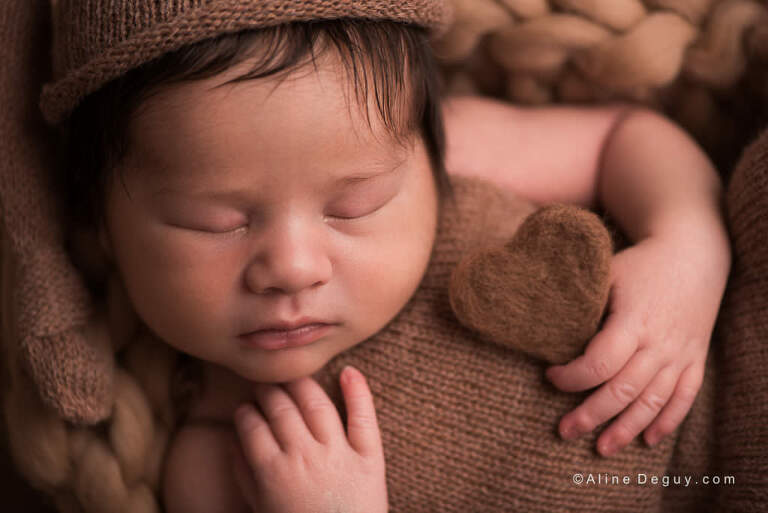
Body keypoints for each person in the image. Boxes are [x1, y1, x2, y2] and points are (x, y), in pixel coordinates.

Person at [47, 3, 730, 512]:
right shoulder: (221, 462)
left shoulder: (443, 155)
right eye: (215, 222)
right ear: (102, 226)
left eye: (355, 206)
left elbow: (623, 135)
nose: (292, 266)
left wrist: (687, 248)